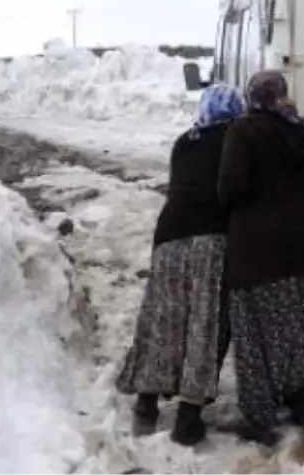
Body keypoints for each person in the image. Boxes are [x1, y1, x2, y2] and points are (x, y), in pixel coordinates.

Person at [116, 84, 240, 444]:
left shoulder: (185, 141)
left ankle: (146, 404)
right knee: (206, 322)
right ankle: (188, 415)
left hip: (169, 236)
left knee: (164, 321)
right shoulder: (235, 139)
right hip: (212, 240)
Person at [218, 70, 304, 445]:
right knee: (298, 327)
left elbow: (231, 186)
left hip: (255, 248)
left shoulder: (243, 131)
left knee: (254, 334)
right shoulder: (300, 131)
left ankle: (260, 417)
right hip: (299, 245)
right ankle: (302, 403)